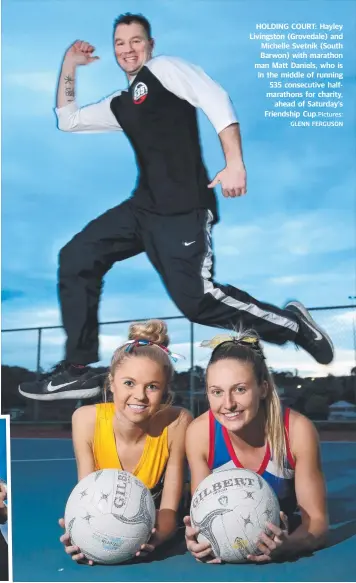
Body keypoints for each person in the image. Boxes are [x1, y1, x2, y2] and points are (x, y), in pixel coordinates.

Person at [19, 13, 333, 401]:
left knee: (199, 304)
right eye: (120, 43)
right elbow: (68, 121)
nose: (128, 49)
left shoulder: (165, 70)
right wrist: (70, 64)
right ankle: (78, 367)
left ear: (150, 44)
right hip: (141, 209)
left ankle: (293, 326)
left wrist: (234, 162)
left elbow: (215, 98)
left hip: (183, 210)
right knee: (76, 256)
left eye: (136, 41)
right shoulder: (121, 104)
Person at [184, 332, 329, 563]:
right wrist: (197, 538)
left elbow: (318, 523)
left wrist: (291, 544)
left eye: (240, 389)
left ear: (262, 388)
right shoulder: (200, 434)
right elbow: (201, 516)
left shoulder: (297, 431)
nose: (228, 404)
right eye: (217, 392)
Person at [59, 319, 192, 564]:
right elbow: (87, 497)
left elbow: (169, 511)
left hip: (156, 519)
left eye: (152, 386)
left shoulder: (177, 423)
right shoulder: (86, 420)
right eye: (129, 383)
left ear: (165, 391)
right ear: (111, 383)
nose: (139, 396)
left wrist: (155, 539)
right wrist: (82, 536)